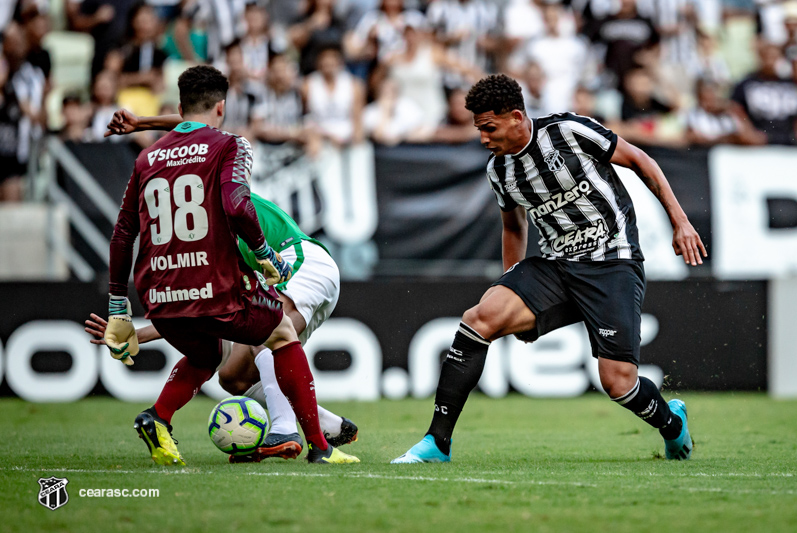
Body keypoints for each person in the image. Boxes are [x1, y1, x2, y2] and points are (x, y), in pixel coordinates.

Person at [392, 74, 705, 464]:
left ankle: (672, 424)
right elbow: (513, 224)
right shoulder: (500, 171)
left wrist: (681, 221)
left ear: (517, 117)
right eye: (479, 130)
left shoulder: (569, 131)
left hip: (612, 262)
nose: (483, 138)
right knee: (479, 318)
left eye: (489, 128)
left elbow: (641, 161)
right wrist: (512, 287)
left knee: (617, 382)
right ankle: (437, 443)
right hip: (556, 267)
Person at [103, 64, 358, 465]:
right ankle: (314, 432)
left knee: (246, 342)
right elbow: (230, 189)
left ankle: (279, 431)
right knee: (238, 369)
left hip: (298, 260)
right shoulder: (226, 157)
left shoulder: (150, 161)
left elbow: (122, 235)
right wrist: (263, 255)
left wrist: (120, 311)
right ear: (222, 107)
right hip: (260, 259)